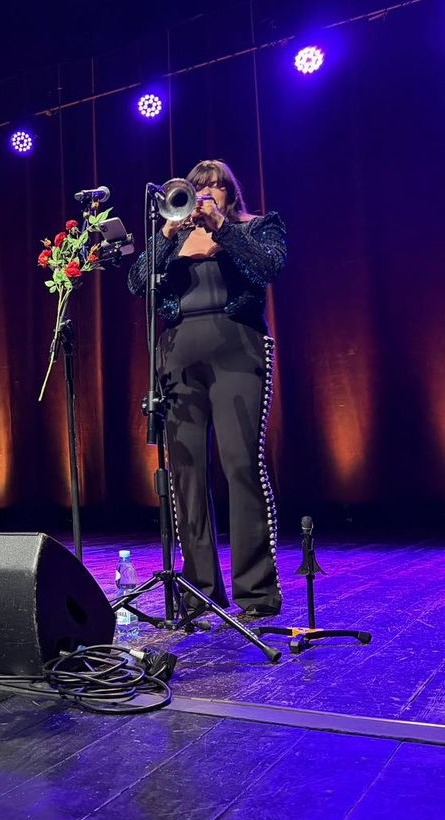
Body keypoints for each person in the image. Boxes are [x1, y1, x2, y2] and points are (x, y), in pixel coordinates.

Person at [127, 159, 287, 619]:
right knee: (185, 474)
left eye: (216, 186)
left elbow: (267, 268)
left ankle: (256, 592)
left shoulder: (256, 227)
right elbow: (137, 282)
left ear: (230, 192)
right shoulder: (173, 235)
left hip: (239, 350)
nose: (206, 193)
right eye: (198, 187)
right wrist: (165, 236)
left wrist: (222, 229)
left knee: (241, 465)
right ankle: (199, 592)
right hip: (177, 357)